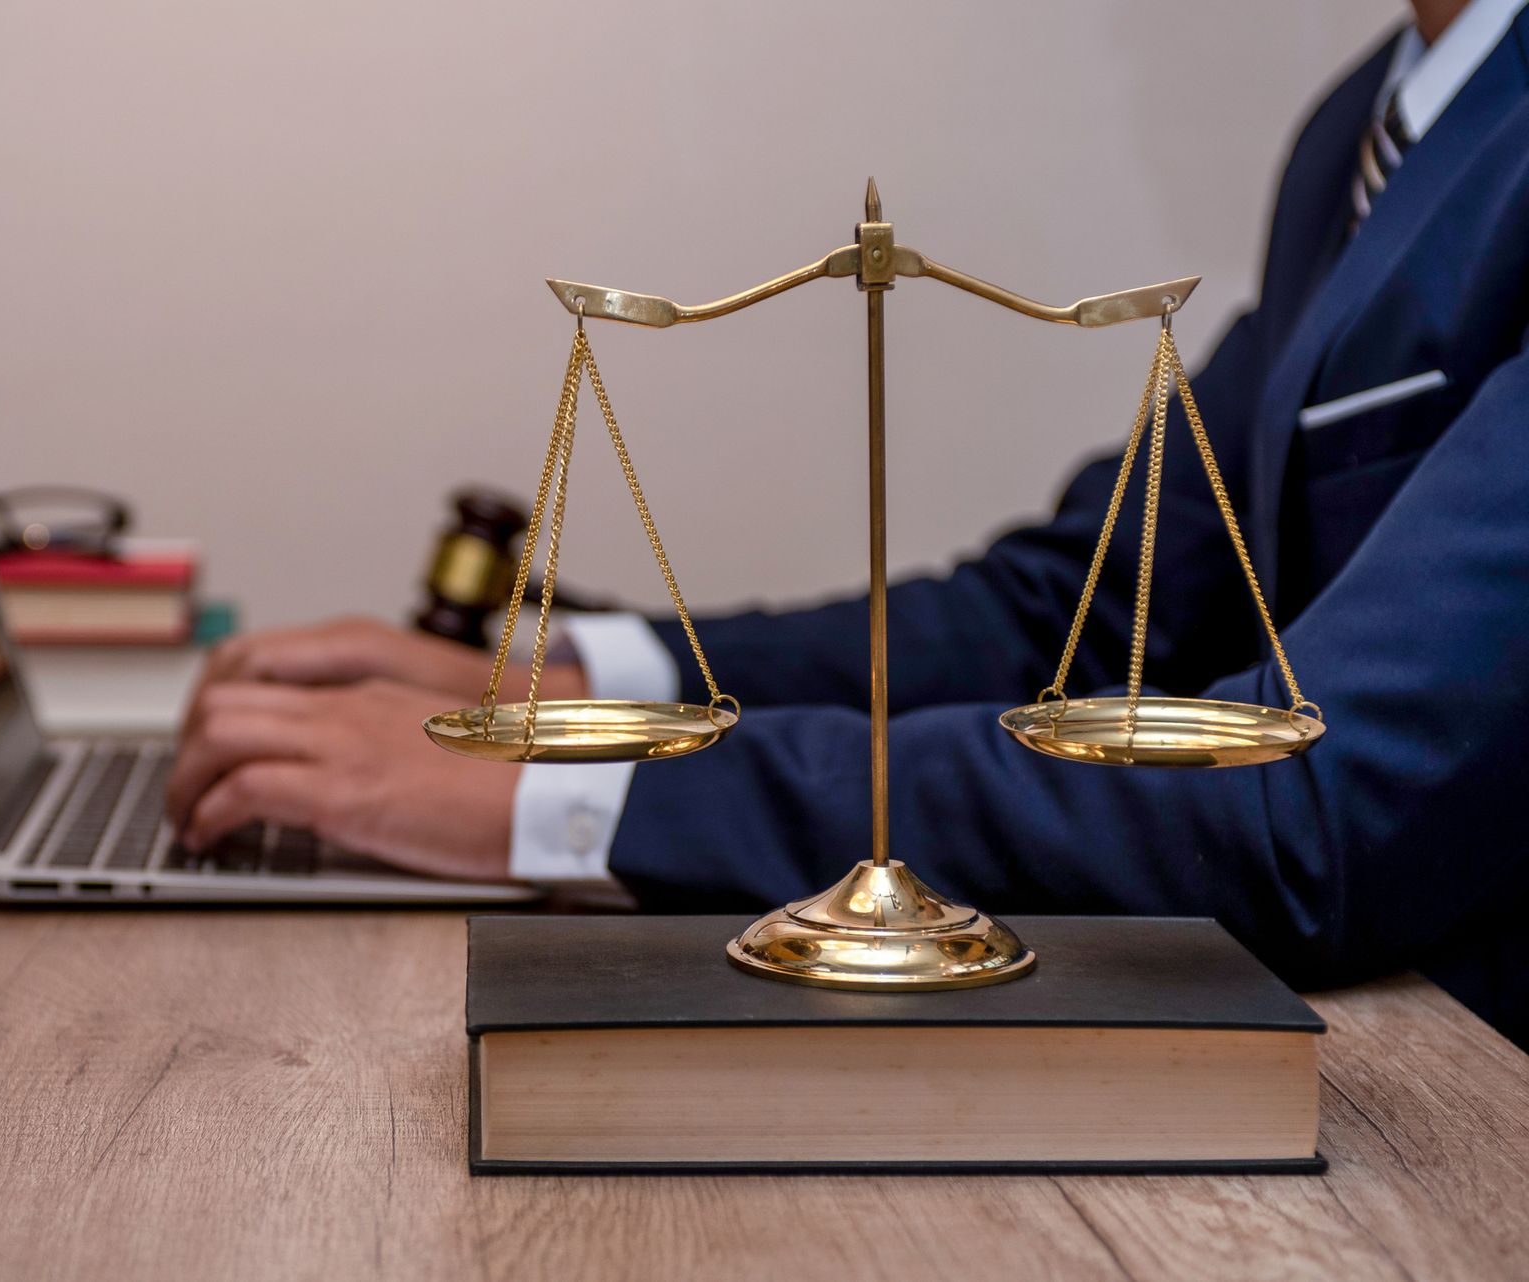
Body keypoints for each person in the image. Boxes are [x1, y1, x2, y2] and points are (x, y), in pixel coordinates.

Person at [166, 0, 1529, 1044]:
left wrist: (570, 800)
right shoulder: (1366, 124)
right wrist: (576, 686)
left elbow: (1317, 813)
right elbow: (1070, 616)